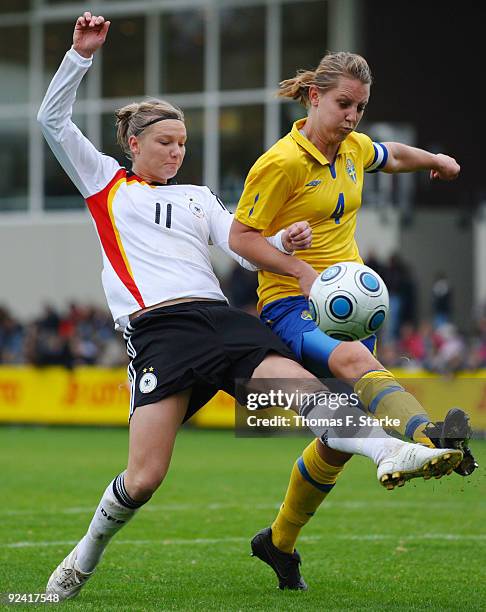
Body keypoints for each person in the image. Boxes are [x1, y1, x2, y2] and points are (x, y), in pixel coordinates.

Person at [38, 16, 462, 601]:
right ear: (133, 144)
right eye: (165, 142)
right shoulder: (104, 184)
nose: (176, 152)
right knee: (145, 477)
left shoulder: (197, 197)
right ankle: (81, 560)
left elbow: (240, 239)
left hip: (218, 321)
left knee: (307, 394)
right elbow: (51, 121)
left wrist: (283, 245)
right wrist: (80, 56)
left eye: (183, 143)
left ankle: (394, 449)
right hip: (159, 332)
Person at [229, 51, 477, 589]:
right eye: (343, 104)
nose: (352, 117)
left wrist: (433, 157)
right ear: (314, 98)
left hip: (351, 307)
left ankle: (277, 543)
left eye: (360, 107)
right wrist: (299, 270)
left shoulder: (353, 148)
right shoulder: (280, 164)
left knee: (337, 440)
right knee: (352, 361)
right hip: (291, 303)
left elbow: (392, 154)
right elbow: (239, 239)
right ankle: (428, 437)